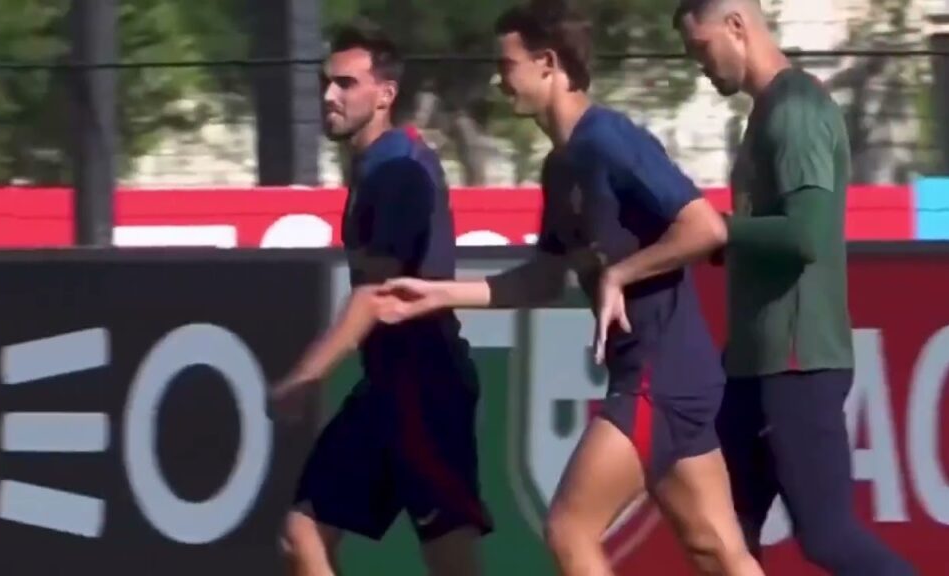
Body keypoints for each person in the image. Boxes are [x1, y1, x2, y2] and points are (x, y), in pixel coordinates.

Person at [371, 2, 764, 575]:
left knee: (569, 529)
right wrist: (440, 294)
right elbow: (544, 277)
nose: (498, 79)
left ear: (548, 64)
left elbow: (704, 227)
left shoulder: (610, 139)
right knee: (717, 551)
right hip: (663, 376)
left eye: (506, 65)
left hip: (661, 375)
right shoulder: (560, 167)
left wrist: (621, 273)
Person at [673, 1, 917, 574]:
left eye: (701, 47)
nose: (698, 64)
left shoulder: (796, 110)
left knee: (827, 538)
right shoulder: (767, 112)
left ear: (737, 26)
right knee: (723, 538)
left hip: (796, 361)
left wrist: (719, 231)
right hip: (752, 364)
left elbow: (805, 235)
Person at [268, 23, 491, 576]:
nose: (328, 96)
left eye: (345, 83)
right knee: (302, 534)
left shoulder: (397, 170)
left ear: (386, 94)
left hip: (426, 387)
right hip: (387, 386)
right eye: (325, 83)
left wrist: (306, 377)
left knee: (449, 558)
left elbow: (375, 292)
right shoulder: (375, 166)